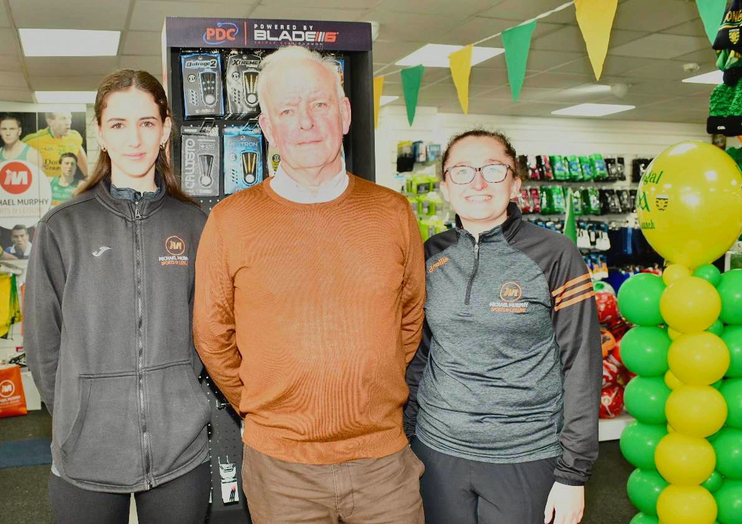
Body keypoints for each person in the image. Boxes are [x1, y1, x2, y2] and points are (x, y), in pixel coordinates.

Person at [193, 45, 426, 524]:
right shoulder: (230, 221)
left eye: (319, 104)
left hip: (384, 464)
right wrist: (265, 407)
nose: (305, 122)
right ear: (267, 128)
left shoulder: (393, 213)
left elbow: (409, 320)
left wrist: (366, 384)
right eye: (287, 110)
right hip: (281, 470)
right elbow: (212, 336)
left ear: (345, 114)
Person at [26, 70, 211, 524]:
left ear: (165, 130)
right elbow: (43, 345)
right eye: (118, 124)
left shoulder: (195, 224)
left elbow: (208, 329)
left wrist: (182, 396)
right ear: (101, 134)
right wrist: (77, 413)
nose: (134, 139)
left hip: (179, 450)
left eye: (147, 123)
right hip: (86, 451)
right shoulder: (62, 227)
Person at [405, 129, 602, 524]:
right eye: (462, 171)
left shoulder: (555, 254)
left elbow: (582, 363)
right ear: (445, 187)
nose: (477, 183)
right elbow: (420, 355)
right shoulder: (429, 255)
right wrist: (406, 439)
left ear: (515, 184)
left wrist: (573, 473)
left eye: (494, 170)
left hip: (526, 454)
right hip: (437, 450)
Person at [23, 111, 89, 179]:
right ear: (50, 122)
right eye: (63, 118)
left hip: (65, 182)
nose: (68, 122)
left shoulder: (75, 137)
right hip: (43, 183)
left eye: (69, 118)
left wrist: (88, 177)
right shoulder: (32, 140)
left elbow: (79, 153)